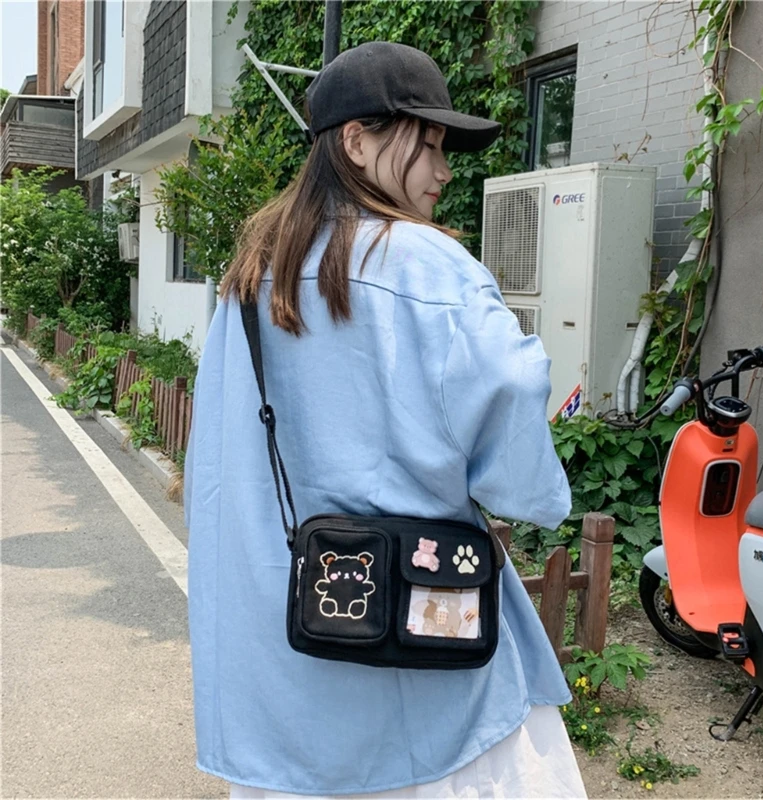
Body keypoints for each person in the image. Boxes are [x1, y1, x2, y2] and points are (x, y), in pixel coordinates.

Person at [184, 41, 586, 799]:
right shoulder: (430, 266)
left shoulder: (248, 284)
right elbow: (512, 416)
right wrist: (525, 485)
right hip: (422, 659)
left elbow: (221, 473)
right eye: (426, 143)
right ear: (356, 140)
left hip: (290, 658)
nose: (443, 170)